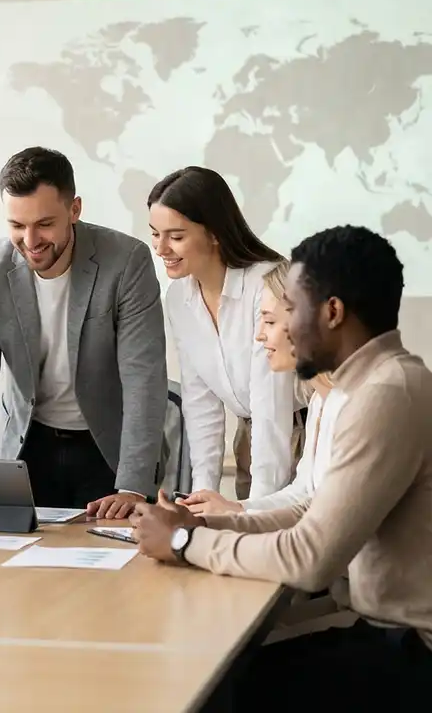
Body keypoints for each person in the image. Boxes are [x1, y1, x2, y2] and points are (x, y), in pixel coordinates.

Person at [133, 226, 432, 706]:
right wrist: (207, 523)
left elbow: (309, 560)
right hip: (384, 631)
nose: (271, 330)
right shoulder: (368, 386)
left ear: (332, 313)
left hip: (410, 648)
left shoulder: (385, 394)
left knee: (215, 685)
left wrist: (186, 541)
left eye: (291, 309)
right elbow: (313, 504)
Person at [0, 146, 167, 518]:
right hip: (26, 445)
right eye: (17, 226)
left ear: (75, 210)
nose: (31, 240)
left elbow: (143, 377)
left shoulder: (126, 261)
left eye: (44, 224)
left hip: (108, 450)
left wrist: (133, 486)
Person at [149, 166, 304, 501]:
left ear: (215, 233)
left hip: (298, 434)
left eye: (176, 236)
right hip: (252, 436)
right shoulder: (178, 298)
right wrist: (203, 493)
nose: (161, 249)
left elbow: (271, 404)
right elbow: (199, 398)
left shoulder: (265, 285)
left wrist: (259, 510)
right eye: (155, 234)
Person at [179, 262, 335, 515]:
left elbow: (329, 519)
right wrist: (233, 509)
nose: (259, 335)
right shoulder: (320, 401)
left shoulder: (358, 404)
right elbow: (302, 493)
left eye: (270, 322)